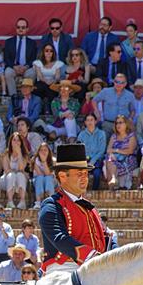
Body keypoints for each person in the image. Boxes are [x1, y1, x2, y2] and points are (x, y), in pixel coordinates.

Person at [38, 143, 106, 274]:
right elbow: (59, 238)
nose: (85, 178)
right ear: (63, 176)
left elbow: (105, 237)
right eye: (79, 174)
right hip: (64, 270)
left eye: (86, 174)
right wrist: (92, 257)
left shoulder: (89, 207)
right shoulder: (52, 205)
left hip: (94, 268)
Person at [3, 18, 38, 96]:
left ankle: (26, 96)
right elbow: (6, 58)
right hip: (13, 67)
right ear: (16, 29)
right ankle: (13, 97)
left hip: (27, 68)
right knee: (8, 72)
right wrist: (14, 66)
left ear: (27, 29)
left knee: (33, 72)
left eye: (23, 27)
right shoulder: (9, 42)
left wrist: (26, 67)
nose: (20, 29)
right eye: (18, 27)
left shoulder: (32, 43)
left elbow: (34, 58)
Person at [104, 115, 138, 189]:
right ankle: (113, 181)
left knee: (110, 161)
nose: (118, 125)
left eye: (120, 123)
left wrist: (116, 150)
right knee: (109, 158)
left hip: (129, 159)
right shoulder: (114, 136)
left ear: (126, 124)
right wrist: (113, 154)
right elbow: (108, 150)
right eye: (116, 123)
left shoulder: (131, 136)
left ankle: (112, 185)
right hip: (115, 159)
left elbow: (130, 151)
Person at [77, 113, 107, 189]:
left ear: (95, 121)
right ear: (85, 122)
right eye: (87, 120)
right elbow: (79, 149)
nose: (90, 122)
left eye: (91, 120)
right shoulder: (81, 134)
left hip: (97, 160)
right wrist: (86, 161)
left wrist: (92, 162)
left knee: (97, 174)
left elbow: (102, 150)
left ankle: (94, 193)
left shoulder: (101, 134)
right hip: (84, 160)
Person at [32, 142, 55, 209]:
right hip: (38, 180)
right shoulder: (35, 160)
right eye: (41, 150)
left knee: (48, 178)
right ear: (38, 152)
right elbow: (40, 174)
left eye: (45, 150)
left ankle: (50, 200)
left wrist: (44, 161)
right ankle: (38, 201)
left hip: (51, 181)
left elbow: (48, 174)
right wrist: (42, 161)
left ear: (48, 151)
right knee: (40, 178)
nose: (43, 152)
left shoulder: (53, 160)